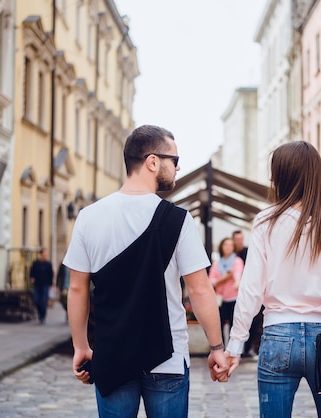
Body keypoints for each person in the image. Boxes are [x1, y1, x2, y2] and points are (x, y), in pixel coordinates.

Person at [63, 125, 229, 418]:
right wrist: (217, 346)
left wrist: (81, 346)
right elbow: (200, 289)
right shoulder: (178, 220)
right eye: (174, 161)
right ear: (153, 162)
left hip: (112, 354)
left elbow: (77, 289)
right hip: (166, 358)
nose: (178, 168)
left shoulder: (89, 217)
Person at [225, 141, 321, 417]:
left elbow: (251, 290)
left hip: (278, 336)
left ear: (282, 177)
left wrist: (235, 345)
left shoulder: (266, 222)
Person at [209, 237, 244, 345]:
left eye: (230, 245)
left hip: (235, 298)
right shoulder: (217, 264)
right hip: (221, 299)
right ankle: (221, 347)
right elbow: (211, 281)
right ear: (221, 247)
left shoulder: (237, 261)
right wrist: (226, 277)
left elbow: (238, 274)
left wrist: (236, 281)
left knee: (234, 325)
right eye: (226, 244)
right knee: (219, 324)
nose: (228, 247)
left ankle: (232, 348)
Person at [233, 229, 263, 358]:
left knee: (254, 321)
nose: (239, 241)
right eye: (237, 239)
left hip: (251, 290)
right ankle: (236, 348)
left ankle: (248, 348)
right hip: (232, 294)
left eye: (241, 239)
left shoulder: (247, 252)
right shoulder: (231, 255)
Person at [29, 248, 54, 324]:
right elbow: (32, 271)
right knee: (36, 300)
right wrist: (32, 278)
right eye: (44, 254)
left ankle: (42, 316)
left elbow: (51, 274)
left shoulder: (48, 264)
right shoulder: (36, 263)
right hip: (37, 285)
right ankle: (39, 314)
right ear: (40, 254)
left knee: (43, 301)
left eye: (46, 254)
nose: (45, 255)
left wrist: (50, 284)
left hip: (45, 285)